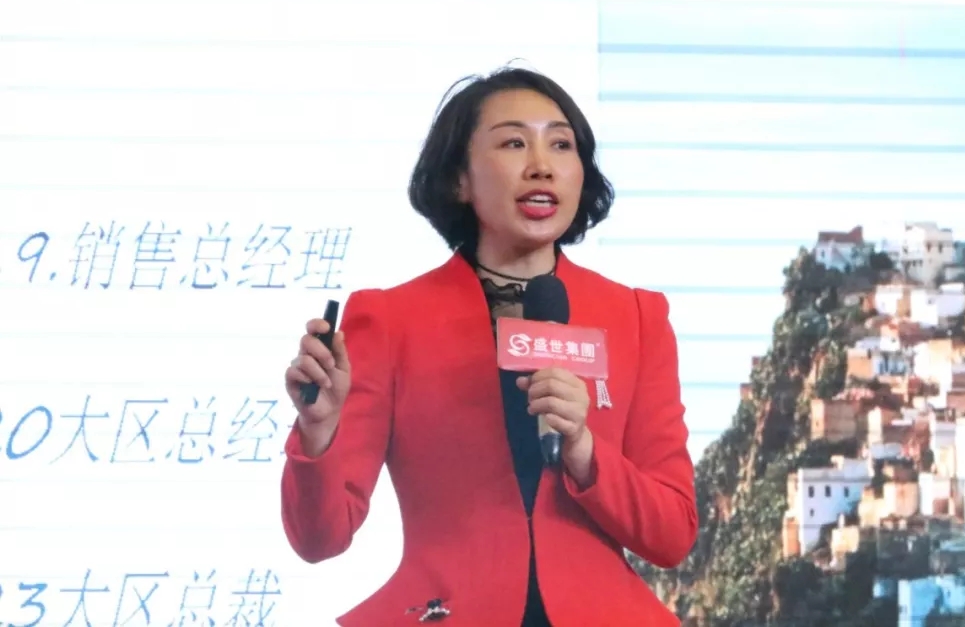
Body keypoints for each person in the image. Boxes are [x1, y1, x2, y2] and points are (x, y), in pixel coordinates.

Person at [281, 66, 698, 626]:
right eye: (513, 143)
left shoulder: (637, 317)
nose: (541, 165)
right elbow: (319, 538)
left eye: (561, 145)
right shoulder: (391, 319)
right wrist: (319, 432)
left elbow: (672, 535)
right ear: (460, 179)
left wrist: (584, 451)